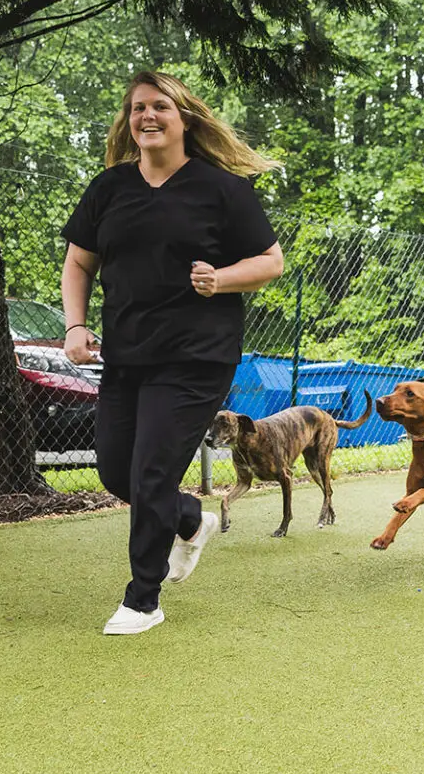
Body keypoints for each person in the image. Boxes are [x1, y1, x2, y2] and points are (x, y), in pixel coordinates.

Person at [60, 71, 283, 634]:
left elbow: (270, 262)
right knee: (118, 472)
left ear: (185, 119)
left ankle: (143, 600)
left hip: (196, 356)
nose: (148, 116)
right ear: (128, 121)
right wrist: (76, 325)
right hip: (128, 355)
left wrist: (222, 278)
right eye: (137, 108)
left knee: (153, 470)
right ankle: (190, 520)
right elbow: (79, 262)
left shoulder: (222, 190)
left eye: (160, 106)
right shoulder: (108, 189)